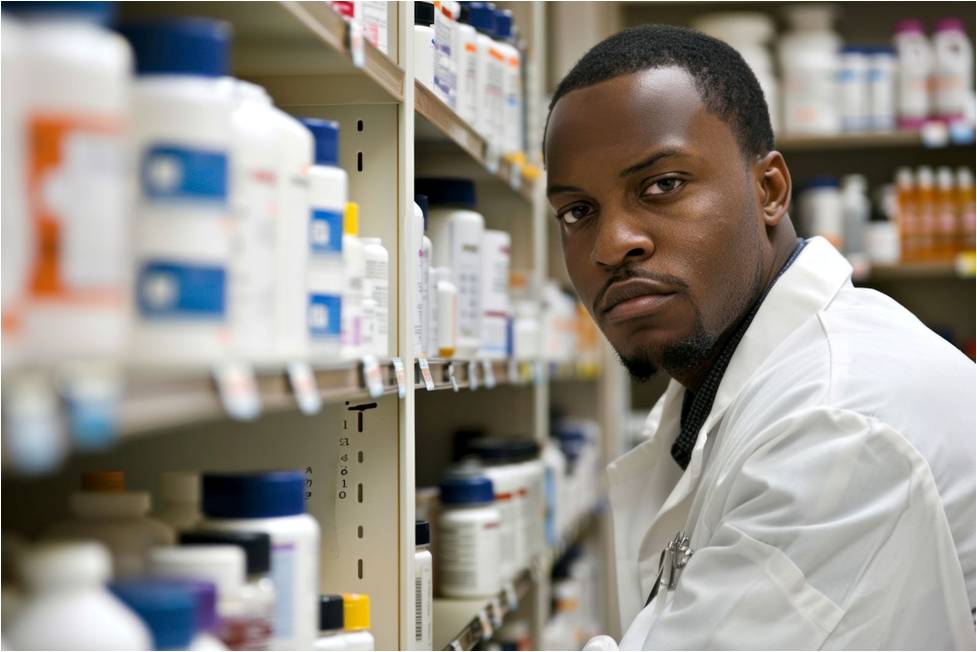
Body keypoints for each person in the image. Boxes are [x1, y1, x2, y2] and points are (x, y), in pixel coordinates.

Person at [543, 24, 975, 650]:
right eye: (578, 212)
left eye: (662, 185)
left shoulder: (841, 426)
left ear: (768, 189)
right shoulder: (719, 390)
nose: (612, 245)